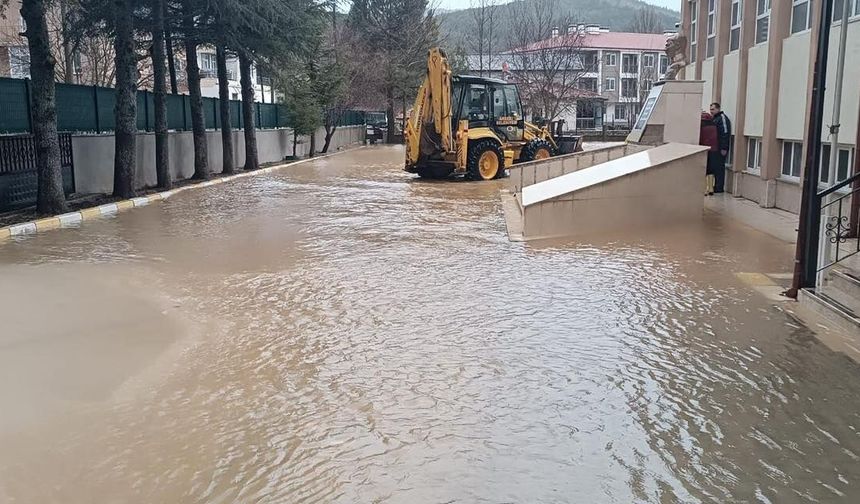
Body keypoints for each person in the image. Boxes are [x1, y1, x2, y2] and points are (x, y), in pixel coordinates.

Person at [710, 102, 732, 193]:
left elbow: (725, 133)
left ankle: (719, 187)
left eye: (713, 109)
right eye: (710, 109)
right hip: (715, 148)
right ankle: (715, 186)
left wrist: (724, 147)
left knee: (719, 168)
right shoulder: (715, 119)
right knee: (715, 167)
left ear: (718, 109)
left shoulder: (722, 118)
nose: (711, 111)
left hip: (720, 148)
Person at [699, 111, 720, 195]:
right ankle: (711, 188)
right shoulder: (714, 125)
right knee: (711, 169)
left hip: (704, 149)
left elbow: (700, 137)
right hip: (714, 149)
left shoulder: (701, 126)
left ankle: (704, 190)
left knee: (704, 169)